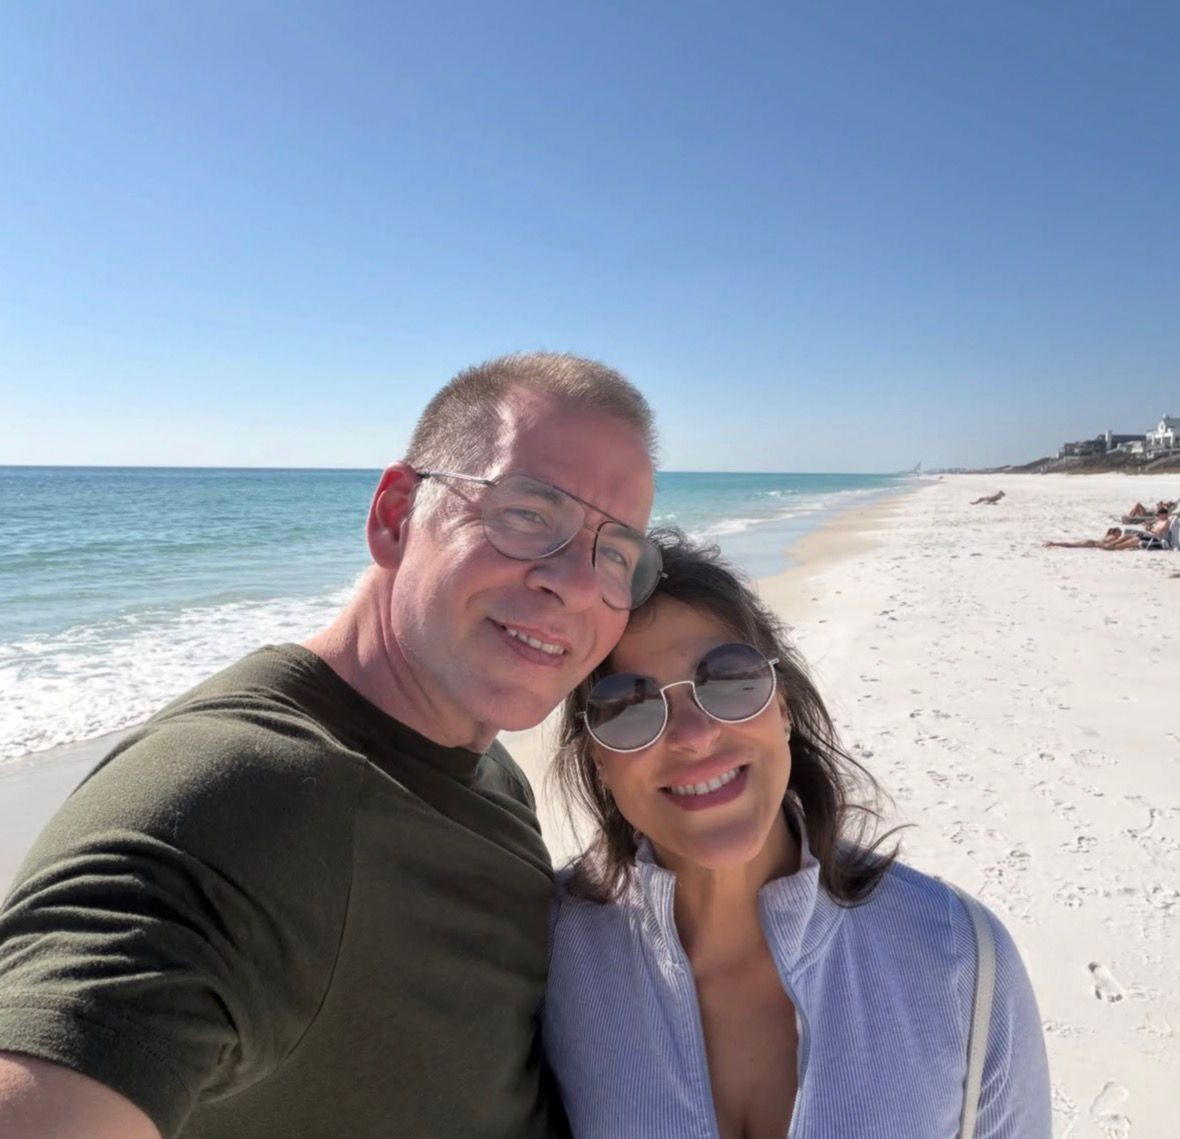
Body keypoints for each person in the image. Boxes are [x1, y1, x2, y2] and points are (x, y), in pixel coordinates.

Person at [0, 352, 661, 1139]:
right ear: (395, 516)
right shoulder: (244, 802)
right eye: (527, 514)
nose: (577, 585)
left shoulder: (482, 763)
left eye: (615, 554)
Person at [544, 531, 1051, 1138]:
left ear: (782, 706)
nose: (695, 736)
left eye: (728, 680)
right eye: (629, 707)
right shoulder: (545, 957)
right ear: (598, 758)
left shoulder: (962, 957)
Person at [1045, 508, 1172, 550]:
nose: (1157, 516)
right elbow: (1153, 528)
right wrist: (1149, 526)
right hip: (1149, 536)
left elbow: (1160, 532)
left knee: (1131, 538)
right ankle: (1111, 546)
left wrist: (1150, 528)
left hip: (1155, 539)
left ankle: (1112, 547)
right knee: (1128, 536)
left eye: (1159, 514)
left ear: (1163, 515)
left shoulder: (1166, 522)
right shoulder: (1159, 521)